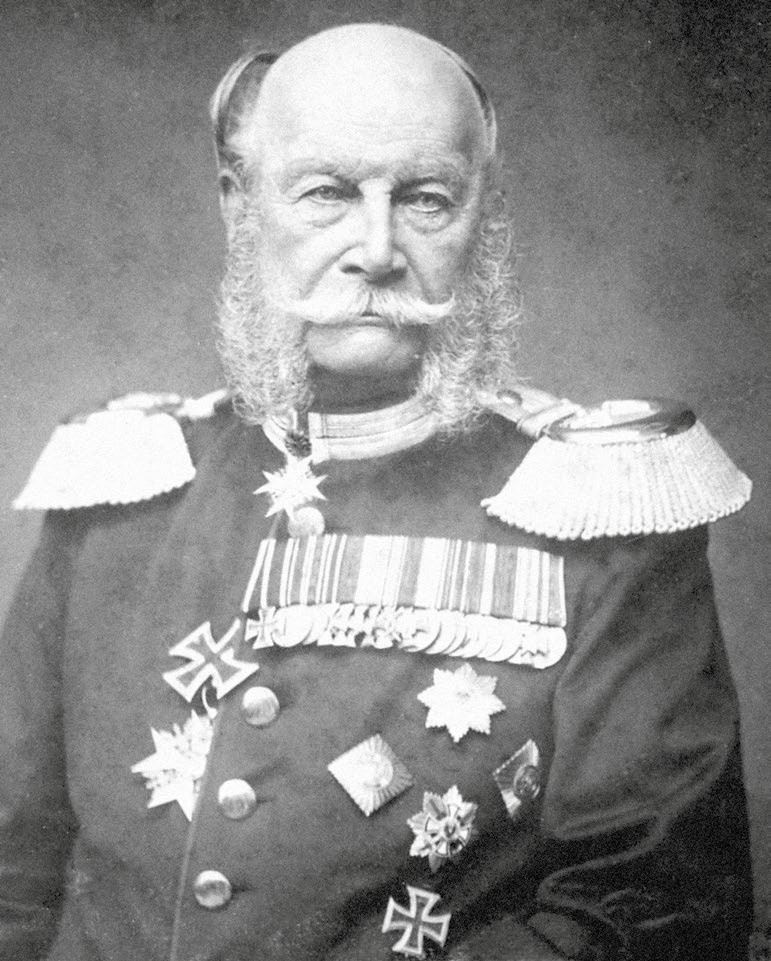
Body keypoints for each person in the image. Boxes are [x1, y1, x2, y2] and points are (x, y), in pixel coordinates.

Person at [1, 23, 754, 961]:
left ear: (482, 219)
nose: (376, 248)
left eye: (425, 199)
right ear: (240, 206)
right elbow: (12, 879)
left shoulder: (603, 506)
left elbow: (648, 909)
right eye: (325, 193)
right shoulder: (122, 490)